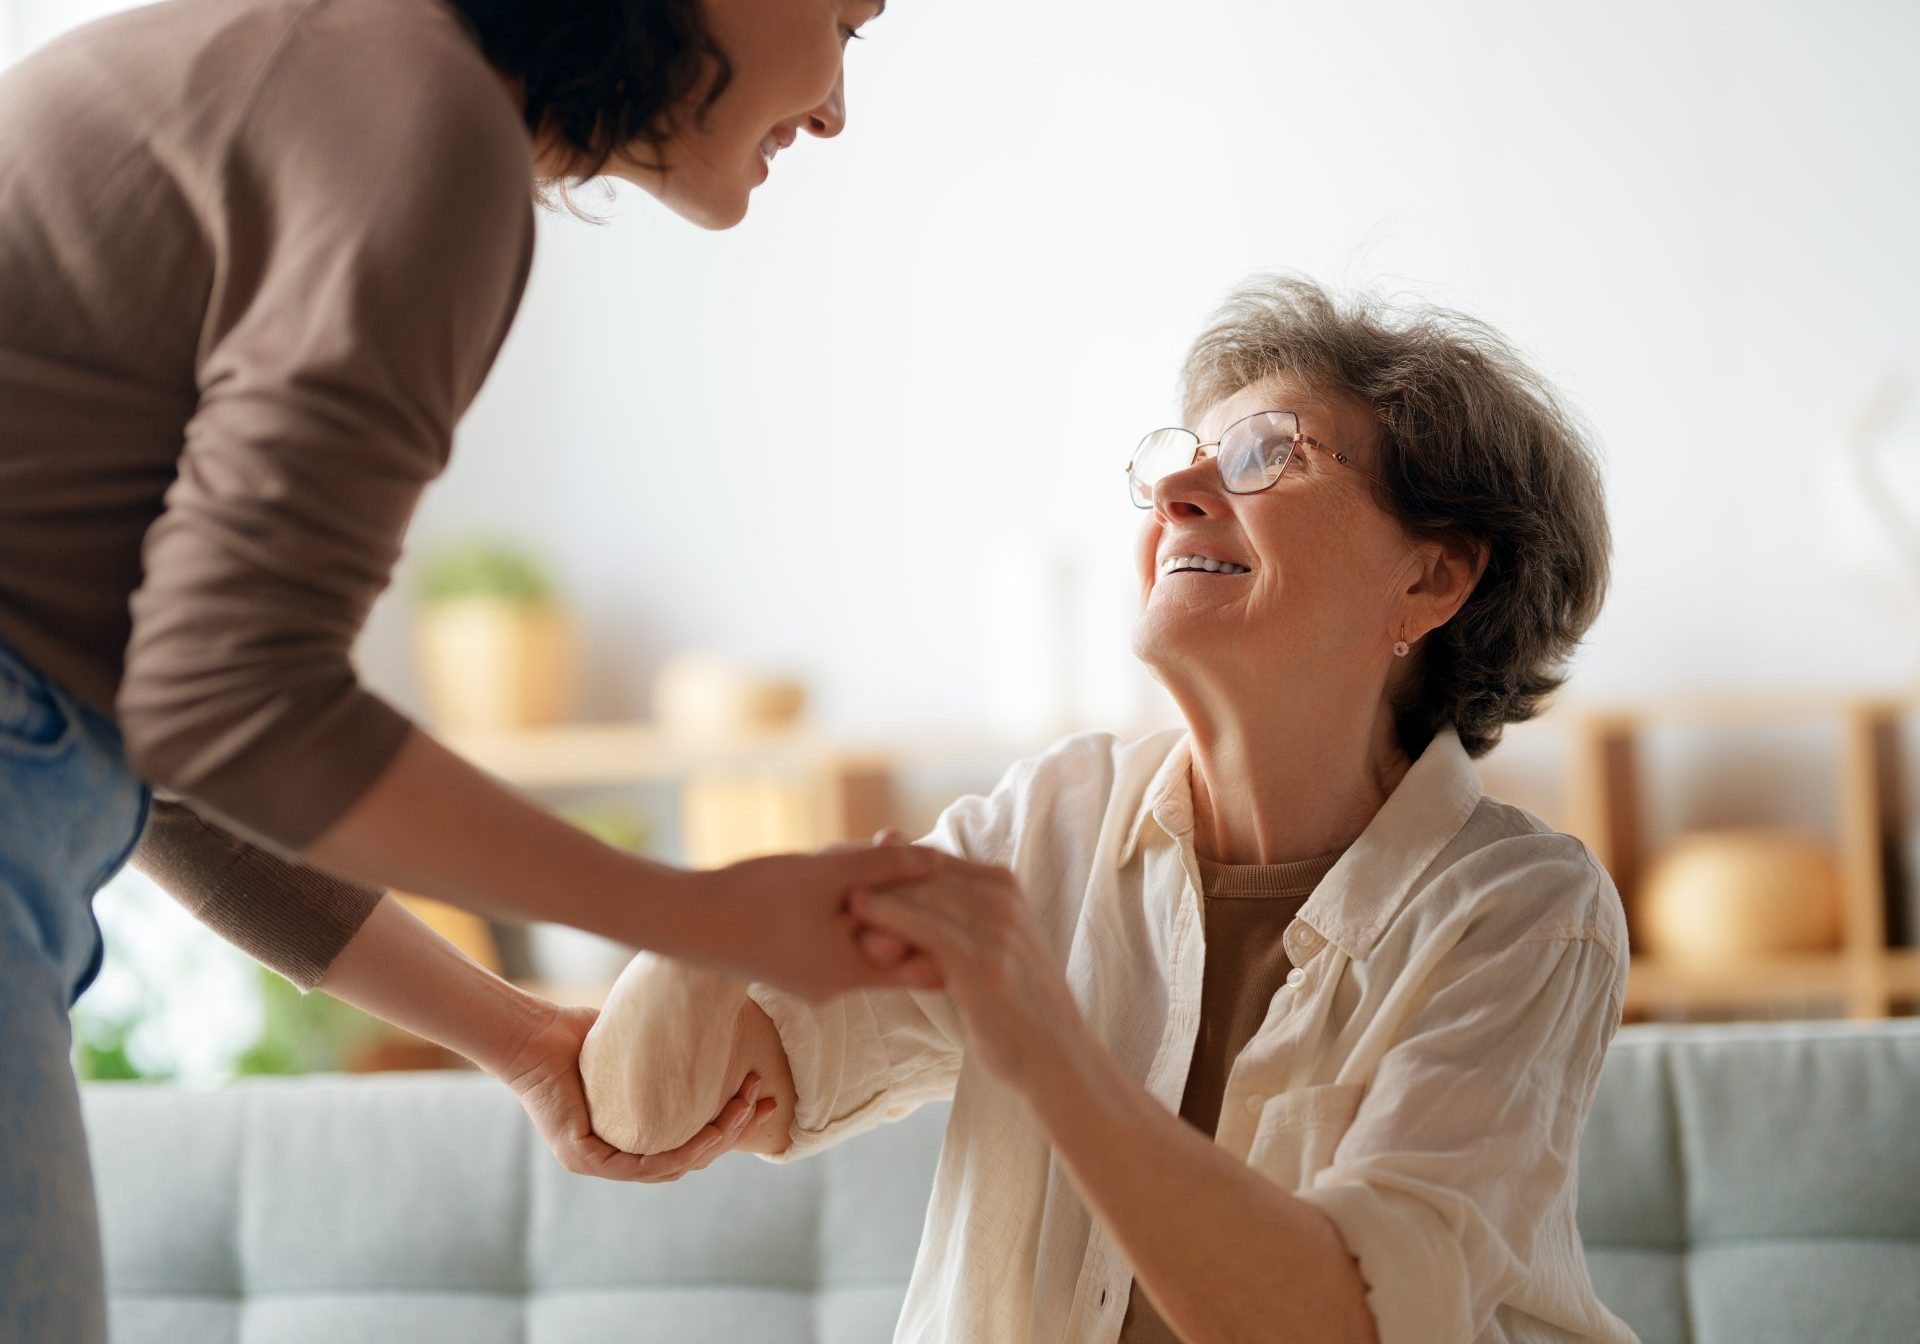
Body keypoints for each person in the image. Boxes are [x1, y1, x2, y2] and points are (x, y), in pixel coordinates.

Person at [0, 2, 936, 1340]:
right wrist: (701, 916)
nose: (840, 103)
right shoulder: (418, 112)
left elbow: (177, 735)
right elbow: (234, 710)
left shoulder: (351, 65)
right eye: (846, 16)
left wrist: (515, 1034)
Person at [622, 276, 1640, 1344]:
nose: (1181, 493)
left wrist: (1036, 1034)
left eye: (1262, 455)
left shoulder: (1526, 913)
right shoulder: (1044, 825)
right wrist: (720, 915)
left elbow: (1344, 1321)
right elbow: (654, 1114)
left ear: (1432, 579)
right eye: (1179, 460)